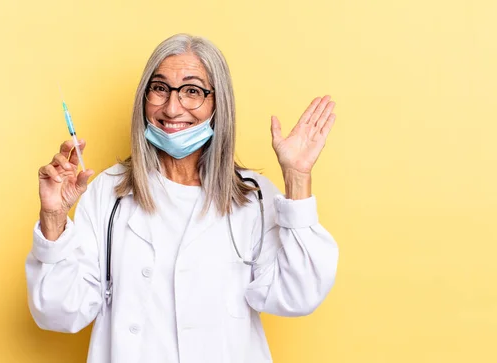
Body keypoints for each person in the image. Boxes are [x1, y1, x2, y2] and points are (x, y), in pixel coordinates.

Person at [25, 33, 339, 363]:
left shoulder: (254, 197)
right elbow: (59, 313)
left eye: (192, 91)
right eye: (160, 88)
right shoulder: (109, 192)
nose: (172, 108)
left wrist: (298, 177)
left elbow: (299, 296)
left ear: (218, 104)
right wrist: (53, 218)